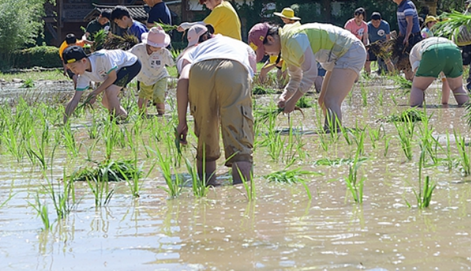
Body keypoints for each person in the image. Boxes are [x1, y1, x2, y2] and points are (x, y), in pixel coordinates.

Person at [248, 22, 366, 131]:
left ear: (270, 39)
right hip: (338, 56)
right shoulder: (285, 48)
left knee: (331, 100)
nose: (266, 55)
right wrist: (284, 97)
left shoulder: (293, 39)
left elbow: (311, 74)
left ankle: (335, 137)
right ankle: (330, 133)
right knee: (322, 101)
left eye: (264, 51)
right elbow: (295, 77)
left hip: (350, 50)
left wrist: (293, 101)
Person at [175, 33, 256, 185]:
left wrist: (181, 122)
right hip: (233, 66)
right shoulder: (241, 45)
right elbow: (251, 75)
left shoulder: (194, 50)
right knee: (239, 134)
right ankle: (242, 194)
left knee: (206, 134)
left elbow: (183, 80)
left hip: (200, 70)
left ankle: (207, 188)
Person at [61, 45, 141, 123]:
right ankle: (124, 117)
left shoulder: (102, 57)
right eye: (70, 69)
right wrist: (65, 121)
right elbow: (75, 99)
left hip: (131, 63)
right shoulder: (83, 76)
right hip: (117, 71)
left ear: (83, 61)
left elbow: (112, 77)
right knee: (105, 102)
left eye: (74, 67)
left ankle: (114, 122)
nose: (73, 71)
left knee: (110, 91)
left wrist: (94, 93)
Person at [408, 37, 469, 108]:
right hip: (453, 49)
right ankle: (467, 109)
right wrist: (444, 103)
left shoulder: (413, 53)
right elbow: (445, 80)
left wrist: (420, 92)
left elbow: (419, 76)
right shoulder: (424, 43)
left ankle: (416, 110)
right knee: (457, 88)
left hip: (432, 51)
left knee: (418, 87)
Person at [130, 27, 175, 116]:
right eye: (154, 46)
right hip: (144, 77)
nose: (156, 49)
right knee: (142, 101)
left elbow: (171, 63)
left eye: (159, 47)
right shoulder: (138, 49)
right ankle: (143, 116)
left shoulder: (163, 52)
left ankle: (161, 115)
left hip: (160, 76)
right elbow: (128, 57)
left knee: (158, 96)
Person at [386, 0, 422, 79]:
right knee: (403, 62)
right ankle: (409, 80)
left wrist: (406, 37)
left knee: (410, 60)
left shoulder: (407, 6)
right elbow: (402, 25)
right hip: (406, 36)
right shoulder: (401, 6)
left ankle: (413, 81)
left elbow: (410, 23)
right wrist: (400, 37)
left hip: (412, 37)